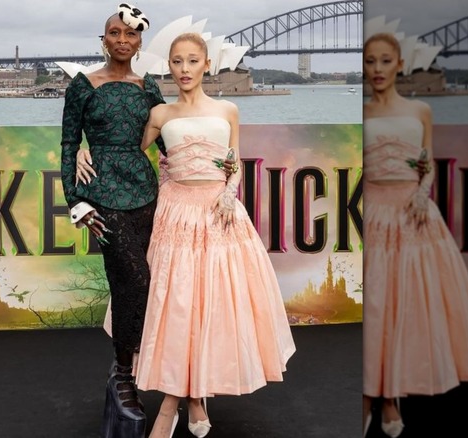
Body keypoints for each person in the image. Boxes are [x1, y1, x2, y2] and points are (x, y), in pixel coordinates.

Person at [130, 32, 296, 438]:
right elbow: (123, 153)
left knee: (210, 304)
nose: (184, 69)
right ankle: (192, 401)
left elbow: (233, 163)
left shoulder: (228, 109)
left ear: (207, 64)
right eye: (176, 62)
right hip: (175, 213)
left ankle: (178, 404)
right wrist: (83, 148)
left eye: (191, 61)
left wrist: (230, 191)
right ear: (168, 66)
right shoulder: (160, 114)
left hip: (219, 213)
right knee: (179, 305)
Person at [361, 32, 468, 438]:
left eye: (385, 61)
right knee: (376, 308)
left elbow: (427, 163)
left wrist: (421, 193)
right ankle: (374, 395)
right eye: (370, 62)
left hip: (413, 216)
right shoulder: (359, 113)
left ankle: (391, 395)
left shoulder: (420, 110)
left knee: (405, 306)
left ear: (399, 64)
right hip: (374, 215)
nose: (377, 69)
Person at [60, 4, 164, 437]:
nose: (122, 40)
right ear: (103, 39)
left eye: (131, 34)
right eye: (114, 32)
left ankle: (126, 371)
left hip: (146, 194)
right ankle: (125, 370)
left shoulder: (149, 86)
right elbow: (69, 143)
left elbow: (168, 137)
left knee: (131, 283)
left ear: (140, 43)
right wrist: (76, 202)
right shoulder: (84, 85)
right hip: (103, 197)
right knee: (137, 278)